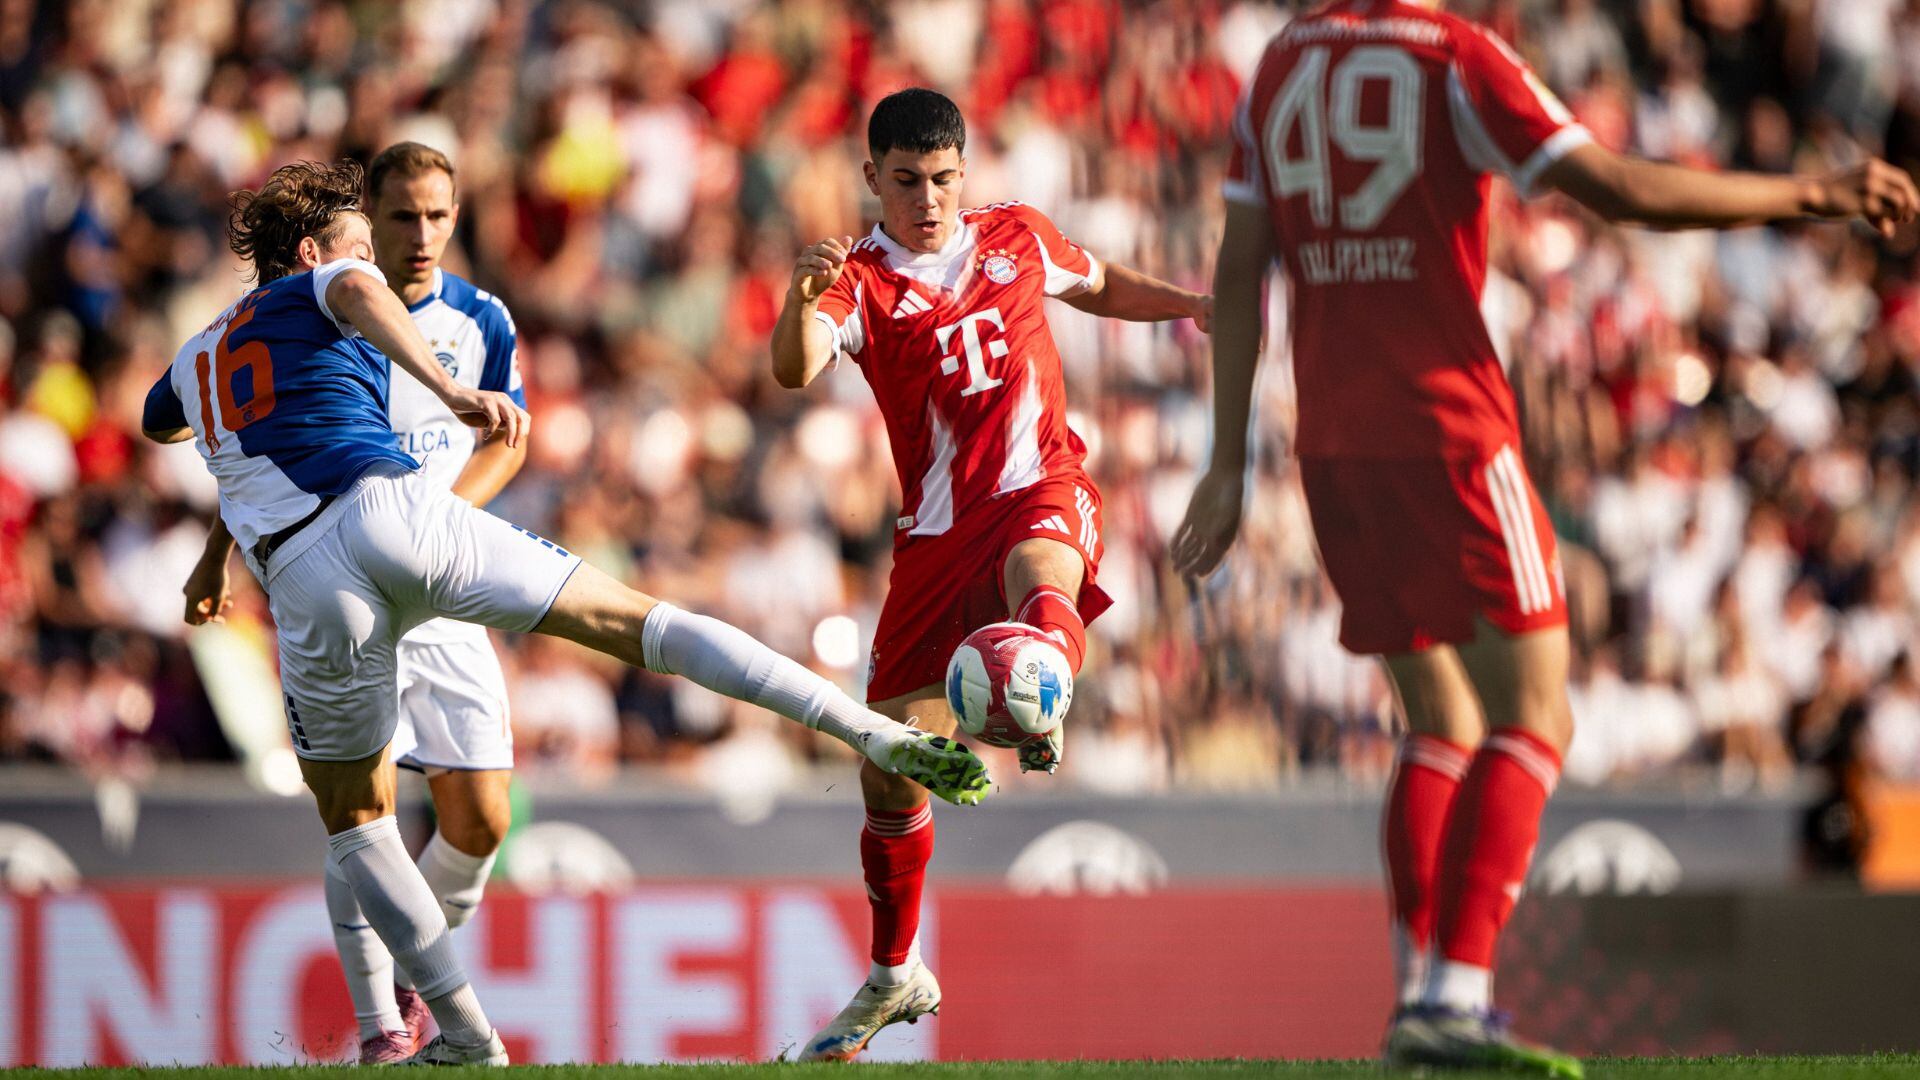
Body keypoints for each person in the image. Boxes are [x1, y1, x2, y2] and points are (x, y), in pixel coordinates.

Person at [1170, 2, 1919, 1075]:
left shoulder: (1282, 62)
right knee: (1538, 715)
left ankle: (1418, 999)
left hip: (1334, 440)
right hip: (1451, 431)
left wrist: (1228, 456)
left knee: (1438, 719)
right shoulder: (1458, 57)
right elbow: (1616, 188)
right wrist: (1815, 193)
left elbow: (1239, 268)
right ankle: (1459, 991)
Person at [141, 159, 995, 1066]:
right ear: (310, 252)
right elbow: (354, 289)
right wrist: (443, 386)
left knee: (358, 825)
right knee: (635, 622)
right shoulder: (335, 279)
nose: (381, 260)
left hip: (305, 577)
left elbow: (169, 423)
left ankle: (460, 1036)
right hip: (398, 513)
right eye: (364, 240)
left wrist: (212, 537)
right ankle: (865, 730)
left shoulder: (197, 352)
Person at [770, 87, 1210, 1061]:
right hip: (932, 542)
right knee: (888, 770)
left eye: (942, 178)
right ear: (871, 177)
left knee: (1042, 569)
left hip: (1036, 486)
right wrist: (800, 301)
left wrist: (1190, 305)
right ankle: (894, 974)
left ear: (964, 171)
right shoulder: (860, 281)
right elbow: (796, 367)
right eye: (906, 180)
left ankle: (1040, 689)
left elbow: (1100, 285)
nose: (927, 198)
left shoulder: (1018, 235)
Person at [180, 142, 528, 1063]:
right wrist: (217, 555)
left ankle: (412, 970)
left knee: (484, 819)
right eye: (403, 216)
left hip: (436, 572)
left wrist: (434, 528)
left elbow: (509, 440)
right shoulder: (315, 307)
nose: (422, 235)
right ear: (367, 216)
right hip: (345, 570)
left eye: (440, 215)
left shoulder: (482, 318)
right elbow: (257, 452)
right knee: (361, 810)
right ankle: (384, 1024)